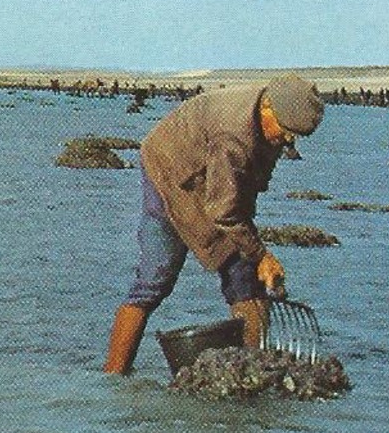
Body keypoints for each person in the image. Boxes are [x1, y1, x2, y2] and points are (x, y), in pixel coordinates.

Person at [103, 76, 325, 374]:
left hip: (209, 174)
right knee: (155, 279)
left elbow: (244, 191)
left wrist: (253, 253)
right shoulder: (233, 136)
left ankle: (252, 370)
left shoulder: (270, 120)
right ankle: (113, 379)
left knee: (245, 275)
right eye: (286, 133)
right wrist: (262, 254)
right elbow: (224, 210)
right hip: (168, 171)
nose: (288, 142)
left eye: (294, 136)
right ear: (268, 108)